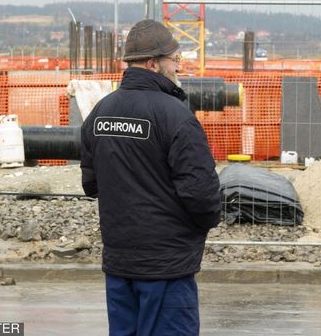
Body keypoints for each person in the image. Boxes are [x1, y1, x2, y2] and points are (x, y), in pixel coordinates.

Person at [80, 19, 221, 336]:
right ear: (153, 63)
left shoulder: (100, 113)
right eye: (175, 59)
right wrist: (196, 228)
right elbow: (203, 196)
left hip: (120, 266)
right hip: (166, 269)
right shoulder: (176, 117)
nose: (178, 67)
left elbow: (91, 185)